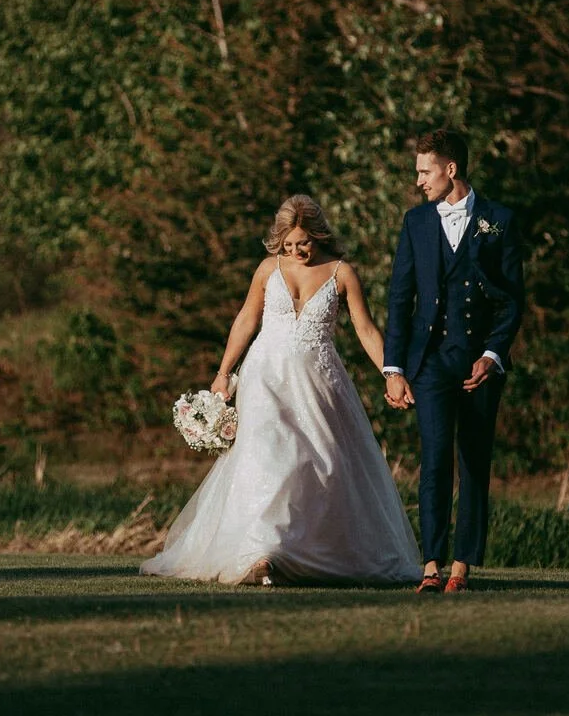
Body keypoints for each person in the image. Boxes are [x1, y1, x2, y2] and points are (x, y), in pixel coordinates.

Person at [140, 195, 421, 586]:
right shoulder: (266, 269)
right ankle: (262, 553)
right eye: (288, 244)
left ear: (318, 235)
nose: (295, 252)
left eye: (303, 243)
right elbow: (246, 319)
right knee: (268, 456)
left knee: (318, 465)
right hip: (264, 378)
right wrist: (223, 372)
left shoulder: (342, 273)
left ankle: (302, 548)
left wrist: (391, 374)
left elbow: (366, 329)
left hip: (318, 384)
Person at [382, 129, 524, 593]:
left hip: (479, 365)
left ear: (451, 168)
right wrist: (394, 368)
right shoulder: (416, 222)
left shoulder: (499, 219)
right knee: (435, 461)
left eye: (425, 171)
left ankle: (462, 567)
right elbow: (400, 298)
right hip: (430, 363)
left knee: (474, 462)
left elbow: (512, 301)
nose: (418, 180)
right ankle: (431, 565)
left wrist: (492, 355)